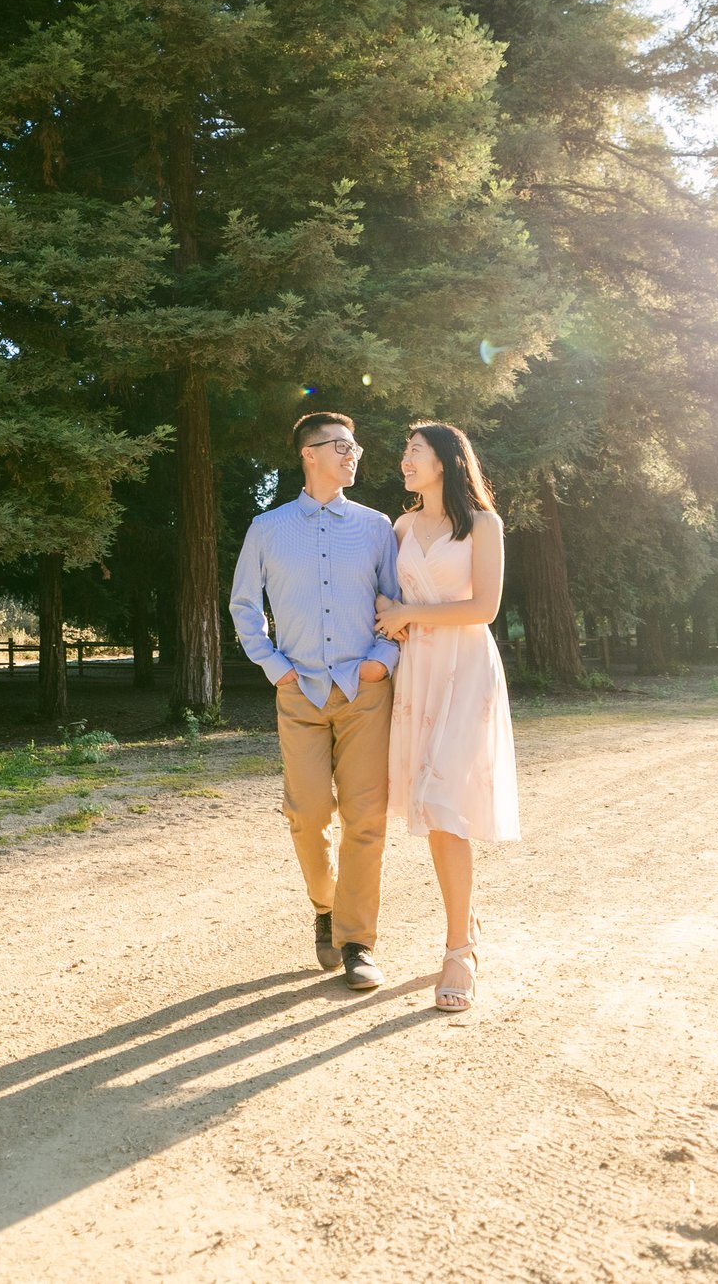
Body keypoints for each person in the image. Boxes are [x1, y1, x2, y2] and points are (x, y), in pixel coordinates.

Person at [228, 411, 401, 991]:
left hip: (364, 691)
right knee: (306, 814)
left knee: (366, 818)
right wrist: (274, 667)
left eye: (356, 446)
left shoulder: (377, 526)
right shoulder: (267, 528)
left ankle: (358, 941)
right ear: (309, 453)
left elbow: (396, 605)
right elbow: (244, 606)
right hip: (298, 690)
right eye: (342, 446)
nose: (355, 455)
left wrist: (384, 660)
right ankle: (325, 907)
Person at [375, 421, 520, 1013]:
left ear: (445, 460)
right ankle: (467, 921)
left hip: (466, 669)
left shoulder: (484, 525)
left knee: (444, 801)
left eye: (415, 450)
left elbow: (485, 607)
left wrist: (408, 610)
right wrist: (391, 612)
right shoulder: (402, 526)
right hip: (419, 673)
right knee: (430, 805)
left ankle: (459, 948)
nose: (405, 459)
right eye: (406, 451)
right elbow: (382, 597)